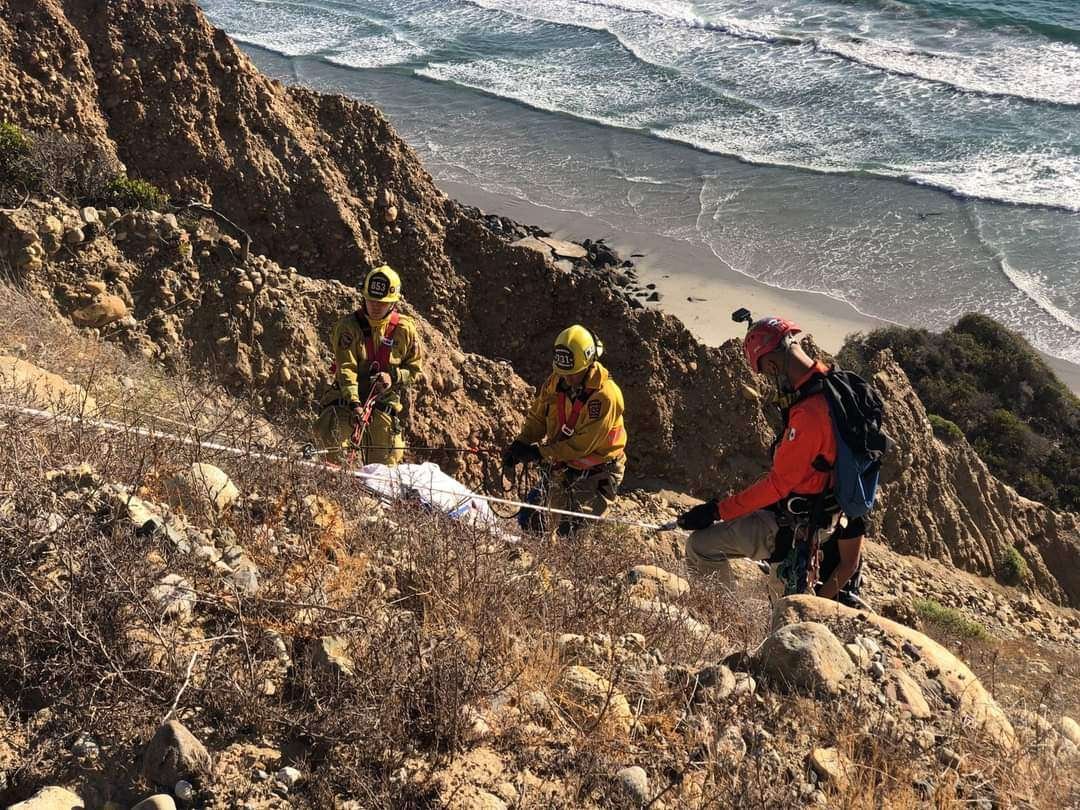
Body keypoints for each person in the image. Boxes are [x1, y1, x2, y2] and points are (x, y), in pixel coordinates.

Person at [676, 314, 866, 605]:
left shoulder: (809, 414)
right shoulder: (829, 383)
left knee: (702, 547)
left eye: (765, 370)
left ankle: (728, 617)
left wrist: (717, 511)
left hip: (793, 529)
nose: (769, 378)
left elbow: (777, 485)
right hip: (815, 519)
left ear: (774, 364)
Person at [502, 325, 627, 535]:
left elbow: (581, 446)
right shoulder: (556, 380)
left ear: (589, 365)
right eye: (563, 372)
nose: (567, 378)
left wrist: (538, 453)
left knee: (572, 535)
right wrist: (521, 444)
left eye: (573, 374)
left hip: (598, 473)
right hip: (561, 465)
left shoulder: (605, 396)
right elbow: (538, 416)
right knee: (532, 522)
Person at [313, 265, 423, 466]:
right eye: (371, 300)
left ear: (393, 302)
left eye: (381, 303)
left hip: (382, 400)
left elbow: (415, 370)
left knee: (387, 459)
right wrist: (355, 404)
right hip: (345, 398)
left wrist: (394, 378)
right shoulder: (347, 328)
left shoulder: (405, 330)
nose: (375, 306)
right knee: (332, 444)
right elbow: (346, 368)